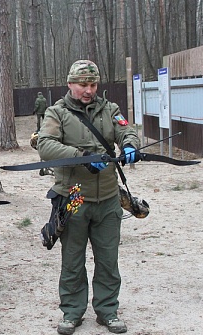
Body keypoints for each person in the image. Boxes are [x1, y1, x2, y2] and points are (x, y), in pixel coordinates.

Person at [37, 60, 140, 335]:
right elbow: (45, 146)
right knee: (72, 259)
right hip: (74, 199)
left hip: (107, 198)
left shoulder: (110, 110)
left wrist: (130, 144)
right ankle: (72, 312)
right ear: (70, 84)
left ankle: (108, 310)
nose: (88, 90)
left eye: (93, 85)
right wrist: (82, 157)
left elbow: (126, 129)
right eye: (83, 84)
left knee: (108, 259)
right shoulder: (56, 113)